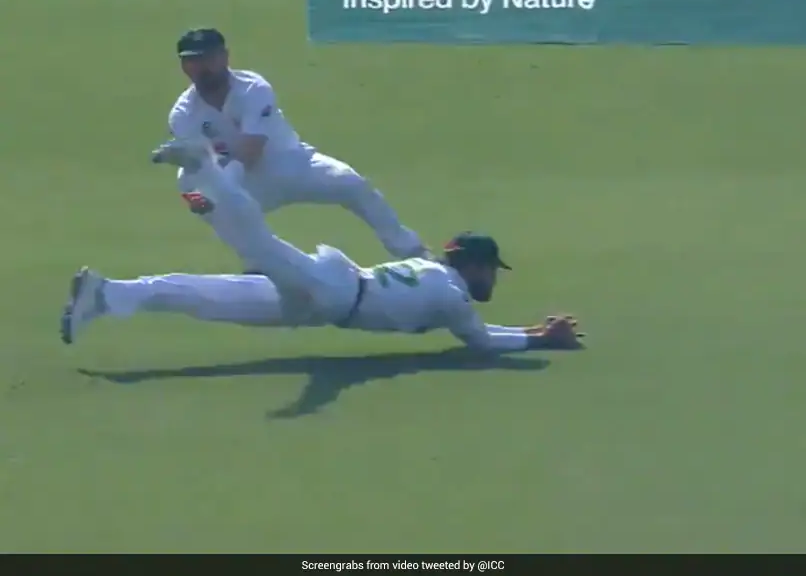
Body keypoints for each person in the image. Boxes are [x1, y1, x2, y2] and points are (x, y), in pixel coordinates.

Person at [159, 27, 428, 273]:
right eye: (192, 61)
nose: (201, 67)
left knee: (351, 184)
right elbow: (202, 165)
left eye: (207, 58)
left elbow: (251, 151)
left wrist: (223, 190)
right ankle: (260, 265)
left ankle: (413, 252)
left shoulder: (253, 89)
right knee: (211, 204)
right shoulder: (183, 114)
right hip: (247, 184)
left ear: (224, 57)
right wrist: (207, 196)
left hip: (289, 163)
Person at [60, 232, 586, 352]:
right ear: (471, 265)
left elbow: (480, 331)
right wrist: (541, 339)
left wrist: (533, 330)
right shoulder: (452, 297)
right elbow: (480, 341)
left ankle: (107, 294)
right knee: (257, 244)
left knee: (214, 296)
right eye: (490, 269)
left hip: (326, 298)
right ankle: (212, 181)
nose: (492, 278)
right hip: (335, 290)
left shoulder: (434, 273)